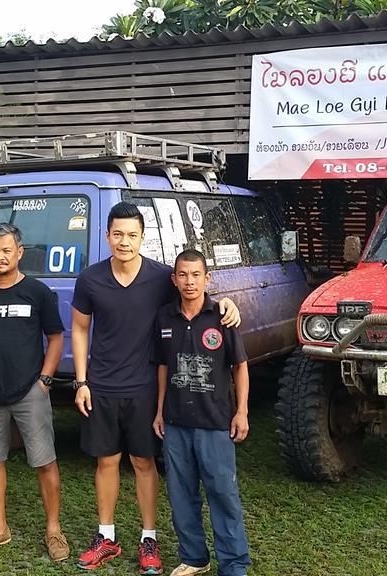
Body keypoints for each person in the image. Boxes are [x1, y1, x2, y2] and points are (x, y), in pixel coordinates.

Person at [71, 202, 240, 574]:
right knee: (106, 461)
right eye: (118, 234)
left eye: (132, 235)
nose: (124, 241)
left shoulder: (162, 278)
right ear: (107, 236)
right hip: (101, 385)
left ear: (143, 237)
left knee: (144, 462)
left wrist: (226, 303)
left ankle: (149, 538)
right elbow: (80, 330)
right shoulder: (91, 279)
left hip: (146, 386)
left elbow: (195, 293)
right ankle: (106, 537)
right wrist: (81, 381)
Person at [0, 223, 70, 562]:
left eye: (6, 250)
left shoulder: (36, 292)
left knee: (45, 461)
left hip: (30, 391)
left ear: (19, 253)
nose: (0, 257)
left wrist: (45, 381)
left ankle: (53, 530)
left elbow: (56, 337)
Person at [152, 249, 251, 576]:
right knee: (181, 497)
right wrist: (159, 411)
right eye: (183, 275)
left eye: (196, 275)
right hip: (177, 424)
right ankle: (194, 558)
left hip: (214, 423)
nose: (189, 281)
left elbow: (240, 366)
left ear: (208, 278)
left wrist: (242, 411)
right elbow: (163, 366)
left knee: (223, 496)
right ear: (174, 279)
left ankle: (234, 565)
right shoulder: (165, 317)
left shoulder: (223, 317)